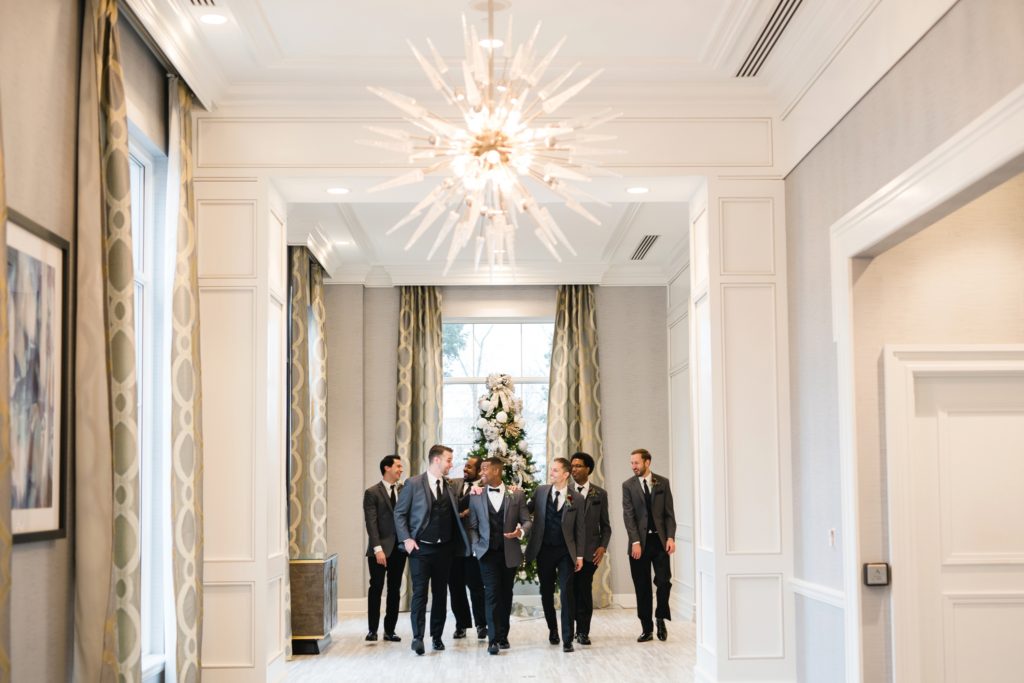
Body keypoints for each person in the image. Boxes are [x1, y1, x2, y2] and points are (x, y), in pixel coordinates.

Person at [393, 444, 470, 655]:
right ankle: (418, 638)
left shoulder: (449, 485)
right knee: (419, 594)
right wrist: (407, 539)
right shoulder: (413, 483)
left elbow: (456, 507)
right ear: (437, 460)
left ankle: (437, 637)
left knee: (440, 595)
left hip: (445, 550)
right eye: (448, 460)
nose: (451, 464)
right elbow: (399, 513)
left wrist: (473, 494)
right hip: (420, 550)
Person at [466, 456, 532, 655]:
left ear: (496, 471)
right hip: (486, 554)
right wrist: (477, 546)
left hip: (509, 553)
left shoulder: (516, 494)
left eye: (485, 469)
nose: (481, 472)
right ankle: (493, 640)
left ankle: (503, 636)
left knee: (505, 594)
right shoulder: (476, 495)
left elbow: (527, 521)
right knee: (492, 593)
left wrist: (520, 532)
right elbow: (472, 526)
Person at [525, 457, 583, 652]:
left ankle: (567, 639)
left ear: (566, 474)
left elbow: (580, 529)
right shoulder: (541, 491)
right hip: (544, 550)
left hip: (566, 551)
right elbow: (525, 510)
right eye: (551, 469)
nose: (551, 473)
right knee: (546, 592)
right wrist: (514, 494)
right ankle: (553, 630)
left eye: (555, 470)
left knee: (567, 593)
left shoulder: (576, 498)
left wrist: (579, 556)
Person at [622, 448, 677, 642]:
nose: (633, 466)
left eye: (636, 462)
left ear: (647, 462)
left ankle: (660, 617)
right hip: (639, 544)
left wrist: (670, 537)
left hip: (660, 542)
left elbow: (669, 514)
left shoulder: (663, 482)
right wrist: (635, 542)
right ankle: (647, 628)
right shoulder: (627, 485)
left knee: (664, 582)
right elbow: (628, 516)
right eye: (632, 463)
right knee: (642, 586)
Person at [362, 455, 407, 642]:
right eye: (398, 466)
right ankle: (372, 630)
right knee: (376, 588)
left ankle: (390, 630)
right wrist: (377, 549)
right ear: (387, 468)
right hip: (379, 549)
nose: (401, 469)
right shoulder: (372, 492)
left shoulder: (404, 490)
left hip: (399, 549)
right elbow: (371, 523)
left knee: (394, 589)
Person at [569, 451, 611, 645]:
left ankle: (583, 631)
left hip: (590, 552)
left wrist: (602, 547)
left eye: (578, 466)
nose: (574, 469)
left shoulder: (600, 494)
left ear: (588, 469)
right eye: (572, 466)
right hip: (569, 551)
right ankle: (569, 629)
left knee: (584, 589)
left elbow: (606, 526)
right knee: (571, 591)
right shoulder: (566, 491)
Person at [448, 455, 487, 640]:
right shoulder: (453, 484)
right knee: (455, 588)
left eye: (469, 467)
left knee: (477, 587)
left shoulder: (486, 488)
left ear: (479, 471)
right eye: (465, 465)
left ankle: (481, 625)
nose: (465, 469)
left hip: (473, 546)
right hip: (454, 546)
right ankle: (461, 625)